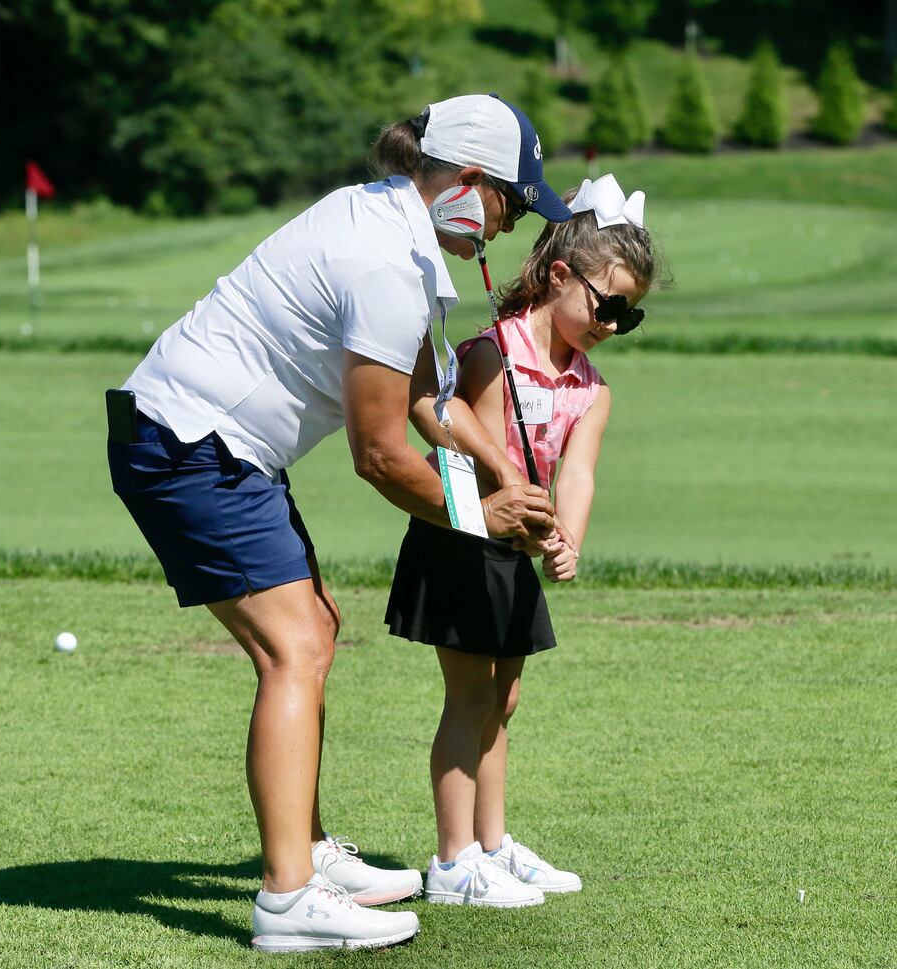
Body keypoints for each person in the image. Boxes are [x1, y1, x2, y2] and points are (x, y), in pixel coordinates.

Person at [106, 94, 573, 952]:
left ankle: (307, 853)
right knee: (297, 647)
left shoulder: (386, 224)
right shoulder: (385, 264)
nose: (509, 225)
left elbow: (430, 394)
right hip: (190, 443)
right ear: (468, 182)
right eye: (511, 201)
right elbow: (381, 455)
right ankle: (288, 901)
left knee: (314, 626)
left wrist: (507, 470)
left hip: (212, 444)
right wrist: (485, 515)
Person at [383, 174, 659, 907]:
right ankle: (453, 861)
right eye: (608, 306)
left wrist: (567, 537)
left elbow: (579, 473)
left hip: (512, 552)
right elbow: (448, 421)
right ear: (560, 275)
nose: (612, 324)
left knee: (504, 701)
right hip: (463, 537)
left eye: (628, 318)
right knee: (469, 698)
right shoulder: (493, 352)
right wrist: (504, 472)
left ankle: (493, 846)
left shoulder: (591, 387)